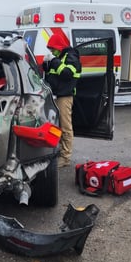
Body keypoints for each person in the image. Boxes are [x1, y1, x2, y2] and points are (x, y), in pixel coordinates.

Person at [42, 33, 81, 168]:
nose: (52, 52)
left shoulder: (71, 57)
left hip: (64, 97)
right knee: (55, 127)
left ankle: (65, 157)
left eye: (53, 49)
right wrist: (46, 65)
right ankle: (58, 152)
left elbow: (67, 74)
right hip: (55, 96)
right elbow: (52, 75)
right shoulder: (60, 57)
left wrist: (53, 61)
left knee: (65, 127)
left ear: (59, 47)